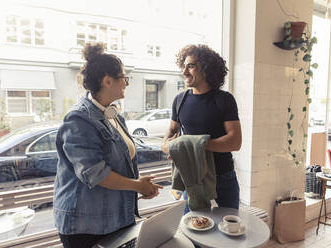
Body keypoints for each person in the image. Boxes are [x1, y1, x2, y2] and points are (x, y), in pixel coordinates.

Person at [53, 43, 163, 248]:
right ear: (107, 81)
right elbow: (96, 173)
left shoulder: (113, 114)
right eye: (124, 78)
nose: (127, 83)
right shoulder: (79, 119)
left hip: (114, 218)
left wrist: (137, 183)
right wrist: (137, 185)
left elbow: (118, 163)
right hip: (85, 225)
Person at [162, 44, 242, 211]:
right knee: (192, 228)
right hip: (192, 177)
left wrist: (192, 145)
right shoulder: (180, 100)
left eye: (190, 66)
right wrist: (168, 146)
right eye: (183, 66)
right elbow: (171, 131)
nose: (184, 72)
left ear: (206, 69)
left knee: (229, 228)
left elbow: (235, 142)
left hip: (223, 177)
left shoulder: (224, 100)